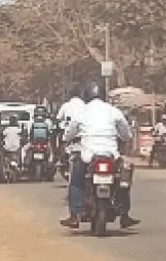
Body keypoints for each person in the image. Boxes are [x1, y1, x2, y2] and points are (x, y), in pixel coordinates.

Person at [59, 81, 139, 229]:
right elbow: (126, 133)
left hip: (88, 155)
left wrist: (66, 139)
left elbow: (69, 132)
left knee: (76, 182)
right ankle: (124, 214)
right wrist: (125, 139)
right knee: (124, 179)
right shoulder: (113, 111)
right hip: (110, 154)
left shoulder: (81, 112)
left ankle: (74, 215)